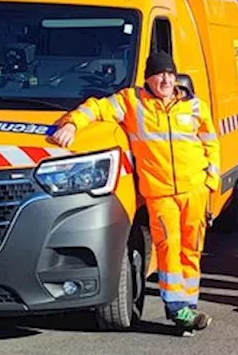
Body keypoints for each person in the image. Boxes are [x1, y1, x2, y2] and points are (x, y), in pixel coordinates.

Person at [48, 51, 220, 335]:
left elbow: (211, 144)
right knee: (169, 249)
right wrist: (71, 123)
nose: (165, 79)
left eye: (169, 73)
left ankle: (189, 304)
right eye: (158, 74)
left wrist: (210, 181)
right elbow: (97, 109)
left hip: (195, 190)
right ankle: (177, 309)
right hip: (161, 194)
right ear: (148, 78)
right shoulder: (132, 102)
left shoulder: (194, 107)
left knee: (192, 249)